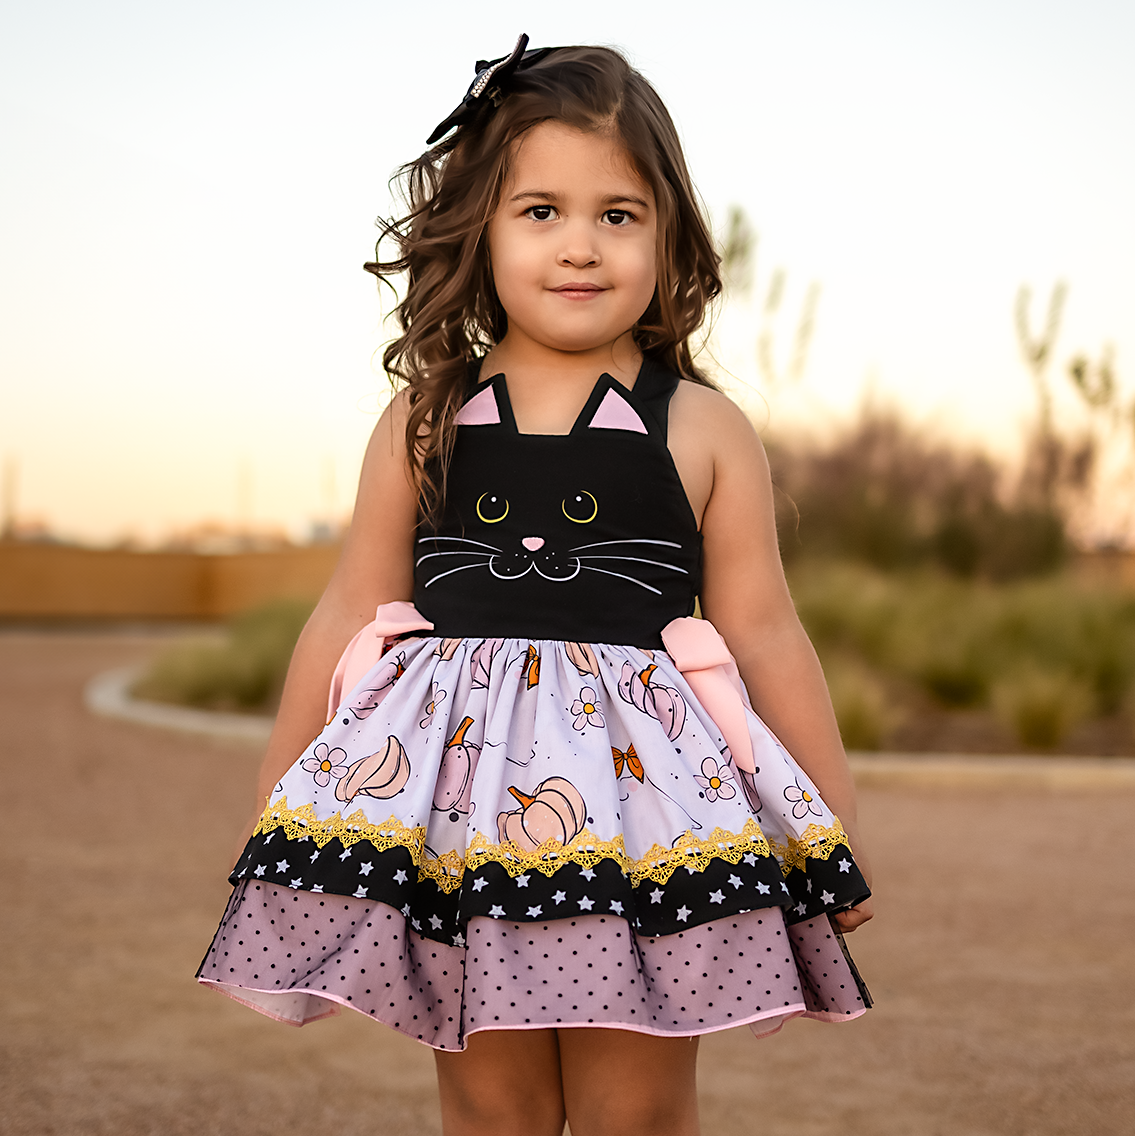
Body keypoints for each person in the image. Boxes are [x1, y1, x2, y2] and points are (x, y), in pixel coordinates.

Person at [197, 37, 874, 1136]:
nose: (580, 245)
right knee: (490, 1104)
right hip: (457, 821)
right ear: (482, 227)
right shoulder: (422, 420)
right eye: (540, 210)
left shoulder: (701, 426)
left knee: (637, 1106)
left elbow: (760, 630)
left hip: (650, 826)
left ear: (668, 234)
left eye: (619, 214)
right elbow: (344, 613)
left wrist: (826, 821)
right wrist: (284, 798)